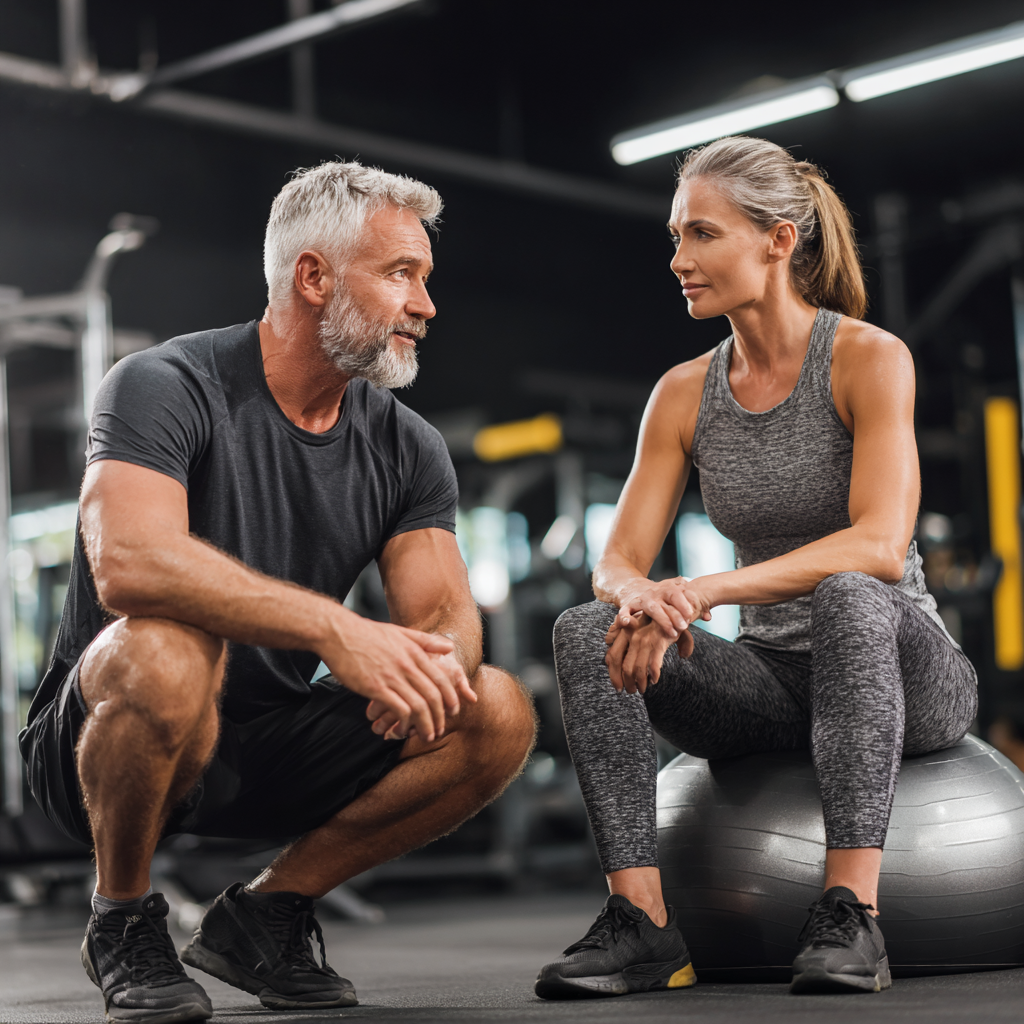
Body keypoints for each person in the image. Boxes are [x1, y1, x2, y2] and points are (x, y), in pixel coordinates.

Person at [20, 160, 537, 1023]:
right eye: (401, 274)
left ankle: (266, 915)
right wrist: (339, 634)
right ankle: (122, 917)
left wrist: (432, 666)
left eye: (426, 278)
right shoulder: (164, 384)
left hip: (264, 743)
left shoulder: (407, 445)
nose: (425, 304)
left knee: (495, 708)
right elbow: (132, 564)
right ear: (313, 276)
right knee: (166, 645)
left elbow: (444, 609)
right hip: (100, 748)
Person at [535, 136, 977, 999]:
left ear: (779, 240)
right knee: (588, 628)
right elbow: (617, 558)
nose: (678, 260)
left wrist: (700, 590)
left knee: (852, 593)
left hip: (904, 666)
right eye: (675, 237)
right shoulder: (681, 392)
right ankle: (643, 924)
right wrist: (642, 601)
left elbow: (879, 545)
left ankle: (853, 914)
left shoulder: (867, 358)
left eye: (702, 235)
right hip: (772, 682)